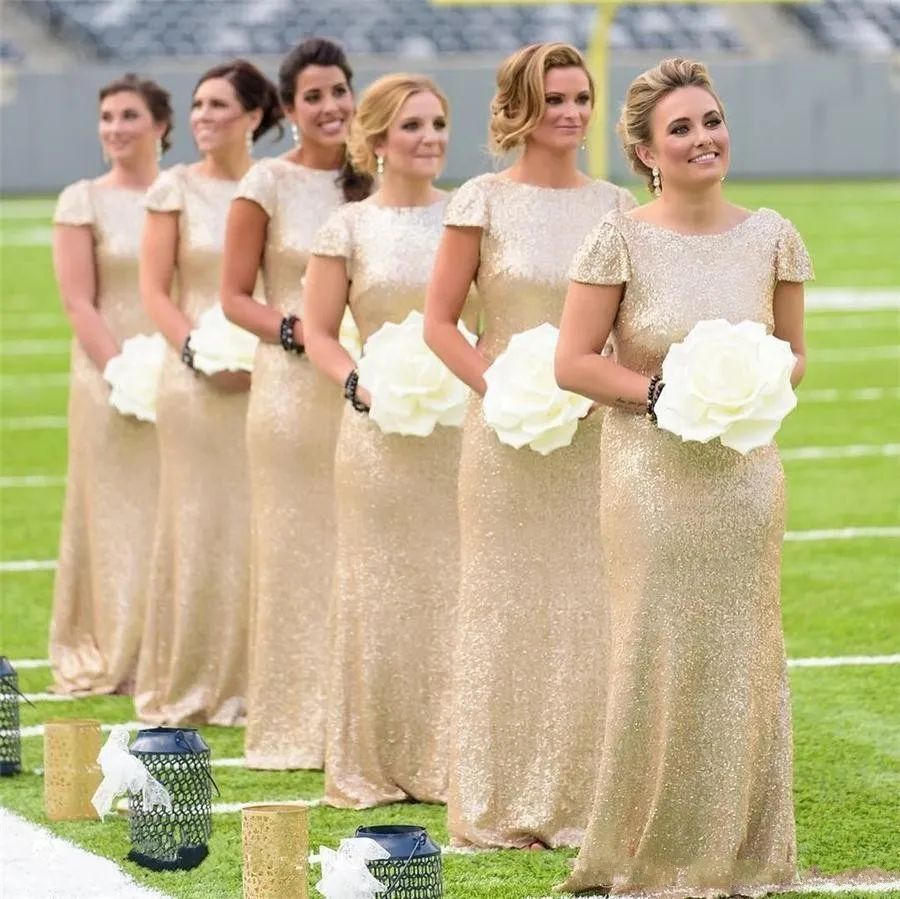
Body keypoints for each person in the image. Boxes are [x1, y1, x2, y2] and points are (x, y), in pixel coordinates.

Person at [553, 58, 812, 897]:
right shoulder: (620, 236)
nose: (704, 139)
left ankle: (739, 849)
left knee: (744, 650)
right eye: (681, 129)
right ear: (644, 151)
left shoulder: (773, 233)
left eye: (711, 120)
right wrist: (662, 394)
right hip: (648, 473)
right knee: (658, 647)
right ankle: (644, 845)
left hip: (744, 477)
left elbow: (795, 356)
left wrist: (751, 387)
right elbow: (573, 363)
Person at [423, 42, 636, 849]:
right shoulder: (479, 200)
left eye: (582, 98)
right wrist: (503, 389)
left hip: (590, 436)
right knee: (502, 603)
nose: (573, 113)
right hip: (503, 434)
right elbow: (441, 324)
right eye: (556, 100)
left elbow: (626, 323)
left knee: (590, 606)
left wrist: (598, 382)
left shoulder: (618, 205)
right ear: (521, 108)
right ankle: (495, 796)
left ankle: (588, 795)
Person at [304, 73, 479, 808]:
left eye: (438, 123)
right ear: (376, 140)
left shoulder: (469, 217)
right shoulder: (346, 227)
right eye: (413, 126)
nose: (431, 137)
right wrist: (356, 381)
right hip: (376, 434)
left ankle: (453, 757)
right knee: (377, 589)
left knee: (456, 585)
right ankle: (372, 759)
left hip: (455, 431)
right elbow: (316, 329)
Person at [220, 38, 372, 771]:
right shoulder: (265, 184)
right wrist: (299, 331)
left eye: (339, 90)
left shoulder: (373, 179)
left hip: (364, 387)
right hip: (289, 391)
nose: (331, 106)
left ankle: (358, 724)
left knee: (361, 552)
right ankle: (293, 723)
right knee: (295, 552)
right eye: (313, 96)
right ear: (288, 108)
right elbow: (231, 296)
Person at [134, 60, 282, 725]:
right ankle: (190, 677)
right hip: (193, 379)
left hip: (272, 377)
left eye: (218, 104)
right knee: (198, 522)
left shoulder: (272, 187)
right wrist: (198, 350)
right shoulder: (173, 189)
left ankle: (263, 678)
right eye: (196, 104)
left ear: (254, 116)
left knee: (265, 522)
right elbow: (153, 292)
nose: (201, 117)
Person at [49, 74, 173, 696]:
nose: (116, 128)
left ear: (160, 125)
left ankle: (171, 645)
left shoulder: (178, 196)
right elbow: (79, 301)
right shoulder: (82, 201)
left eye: (129, 115)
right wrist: (125, 373)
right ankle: (112, 642)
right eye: (107, 117)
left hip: (180, 372)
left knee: (174, 509)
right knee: (114, 511)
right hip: (107, 376)